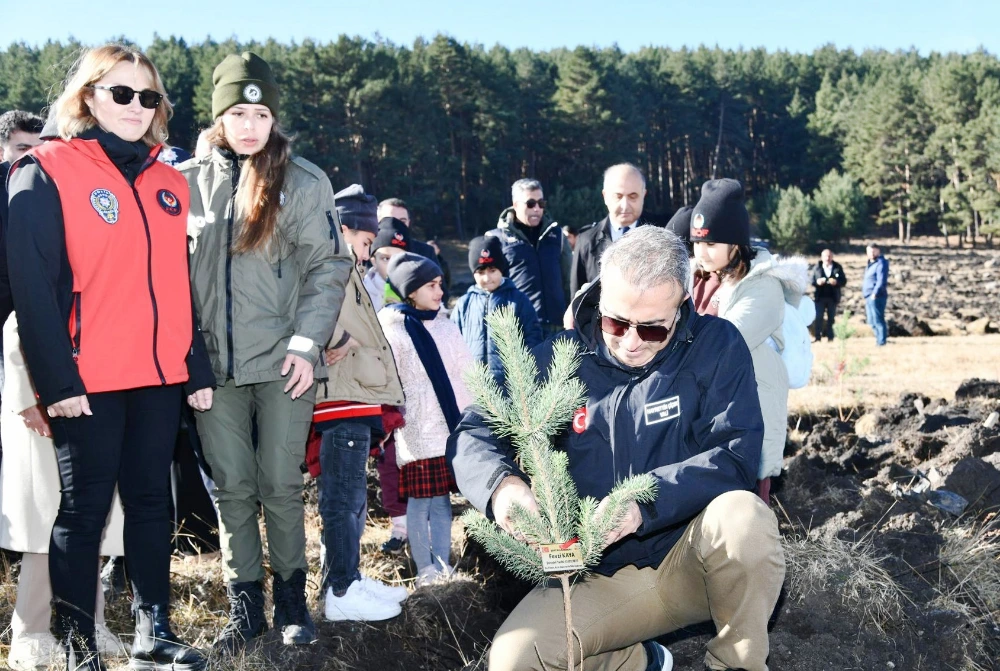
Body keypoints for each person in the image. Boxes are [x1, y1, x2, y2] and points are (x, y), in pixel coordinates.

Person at [448, 226, 784, 671]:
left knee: (745, 518)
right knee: (515, 660)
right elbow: (473, 431)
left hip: (694, 558)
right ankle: (638, 661)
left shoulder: (716, 347)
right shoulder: (559, 360)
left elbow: (737, 455)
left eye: (652, 330)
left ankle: (734, 663)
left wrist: (643, 503)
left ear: (682, 303)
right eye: (616, 322)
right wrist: (502, 487)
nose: (630, 342)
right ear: (601, 297)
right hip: (602, 574)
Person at [5, 43, 214, 670]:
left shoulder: (168, 179)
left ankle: (155, 633)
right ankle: (75, 645)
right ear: (88, 98)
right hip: (85, 378)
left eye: (147, 96)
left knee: (153, 502)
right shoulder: (46, 169)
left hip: (156, 376)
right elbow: (32, 288)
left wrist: (194, 367)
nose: (135, 106)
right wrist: (54, 379)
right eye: (120, 92)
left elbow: (178, 284)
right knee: (84, 510)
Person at [179, 51, 352, 653]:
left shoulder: (303, 181)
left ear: (273, 118)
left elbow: (329, 267)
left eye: (260, 112)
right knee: (231, 485)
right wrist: (186, 359)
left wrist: (308, 346)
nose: (249, 125)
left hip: (285, 363)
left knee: (279, 481)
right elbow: (167, 279)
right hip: (211, 369)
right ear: (218, 117)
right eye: (237, 112)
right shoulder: (182, 183)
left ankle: (291, 603)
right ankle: (244, 607)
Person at [308, 184, 409, 621]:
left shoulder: (346, 266)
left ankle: (347, 578)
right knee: (342, 497)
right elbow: (303, 303)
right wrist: (336, 338)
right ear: (345, 229)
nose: (370, 253)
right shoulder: (324, 261)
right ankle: (340, 590)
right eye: (367, 242)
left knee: (351, 498)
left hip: (353, 394)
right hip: (339, 395)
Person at [1, 314, 124, 669]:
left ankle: (91, 620)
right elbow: (19, 323)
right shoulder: (47, 263)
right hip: (44, 405)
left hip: (94, 400)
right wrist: (26, 399)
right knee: (47, 525)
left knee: (92, 520)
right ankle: (30, 628)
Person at [690, 179, 809, 502]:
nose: (701, 252)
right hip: (712, 407)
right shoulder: (707, 278)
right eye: (697, 243)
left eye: (711, 244)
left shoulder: (763, 286)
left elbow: (726, 340)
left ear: (736, 243)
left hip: (750, 412)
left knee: (748, 503)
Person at [379, 253, 473, 585]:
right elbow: (390, 381)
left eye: (440, 284)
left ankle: (442, 564)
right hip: (417, 433)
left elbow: (466, 373)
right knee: (420, 503)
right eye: (431, 286)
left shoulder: (446, 325)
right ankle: (424, 569)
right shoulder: (395, 329)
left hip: (448, 431)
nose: (439, 291)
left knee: (443, 502)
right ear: (411, 290)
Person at [451, 235, 542, 386]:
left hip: (511, 386)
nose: (487, 278)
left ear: (501, 269)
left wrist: (526, 374)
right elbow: (453, 342)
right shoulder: (464, 304)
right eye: (480, 272)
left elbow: (532, 338)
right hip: (474, 387)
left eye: (492, 270)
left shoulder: (518, 300)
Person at [489, 178, 571, 333]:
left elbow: (568, 281)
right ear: (515, 205)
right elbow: (494, 290)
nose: (537, 209)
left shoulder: (557, 235)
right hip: (521, 328)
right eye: (531, 203)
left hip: (558, 325)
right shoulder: (497, 239)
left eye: (541, 204)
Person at [0, 111, 44, 372]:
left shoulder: (51, 188)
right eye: (22, 148)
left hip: (36, 307)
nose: (32, 155)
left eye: (39, 148)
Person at [570, 163, 655, 296]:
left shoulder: (659, 237)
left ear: (643, 195)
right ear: (605, 196)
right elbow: (577, 299)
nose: (625, 205)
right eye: (618, 196)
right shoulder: (586, 240)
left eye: (633, 196)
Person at [377, 197, 451, 294]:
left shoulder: (425, 252)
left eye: (402, 221)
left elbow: (442, 292)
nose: (396, 225)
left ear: (409, 222)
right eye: (390, 220)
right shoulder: (365, 250)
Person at [367, 216, 412, 311]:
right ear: (374, 261)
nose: (393, 265)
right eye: (386, 259)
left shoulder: (421, 292)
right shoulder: (359, 293)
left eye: (400, 259)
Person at [811, 249, 846, 342]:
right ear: (822, 257)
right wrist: (818, 282)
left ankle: (831, 337)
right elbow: (812, 281)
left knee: (831, 318)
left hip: (832, 297)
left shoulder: (837, 267)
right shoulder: (817, 268)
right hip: (820, 297)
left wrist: (836, 282)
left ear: (832, 257)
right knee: (818, 317)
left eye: (829, 256)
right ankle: (817, 337)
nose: (827, 258)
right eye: (825, 256)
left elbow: (843, 281)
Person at [862, 244, 889, 346]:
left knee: (878, 319)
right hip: (868, 295)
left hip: (877, 296)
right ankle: (879, 339)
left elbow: (881, 280)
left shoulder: (881, 263)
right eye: (869, 252)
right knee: (871, 320)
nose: (872, 254)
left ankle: (882, 342)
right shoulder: (870, 264)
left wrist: (875, 293)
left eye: (874, 251)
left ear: (878, 251)